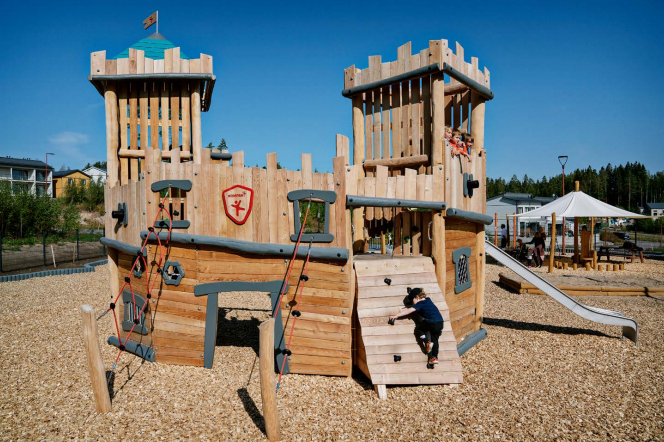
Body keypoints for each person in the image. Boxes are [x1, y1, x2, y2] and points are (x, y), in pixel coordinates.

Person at [389, 288, 444, 365]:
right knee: (435, 340)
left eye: (412, 300)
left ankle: (427, 342)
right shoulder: (428, 300)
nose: (412, 303)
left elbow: (408, 311)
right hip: (440, 323)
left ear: (416, 297)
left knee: (419, 329)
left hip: (431, 322)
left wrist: (396, 316)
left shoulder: (420, 304)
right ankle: (434, 357)